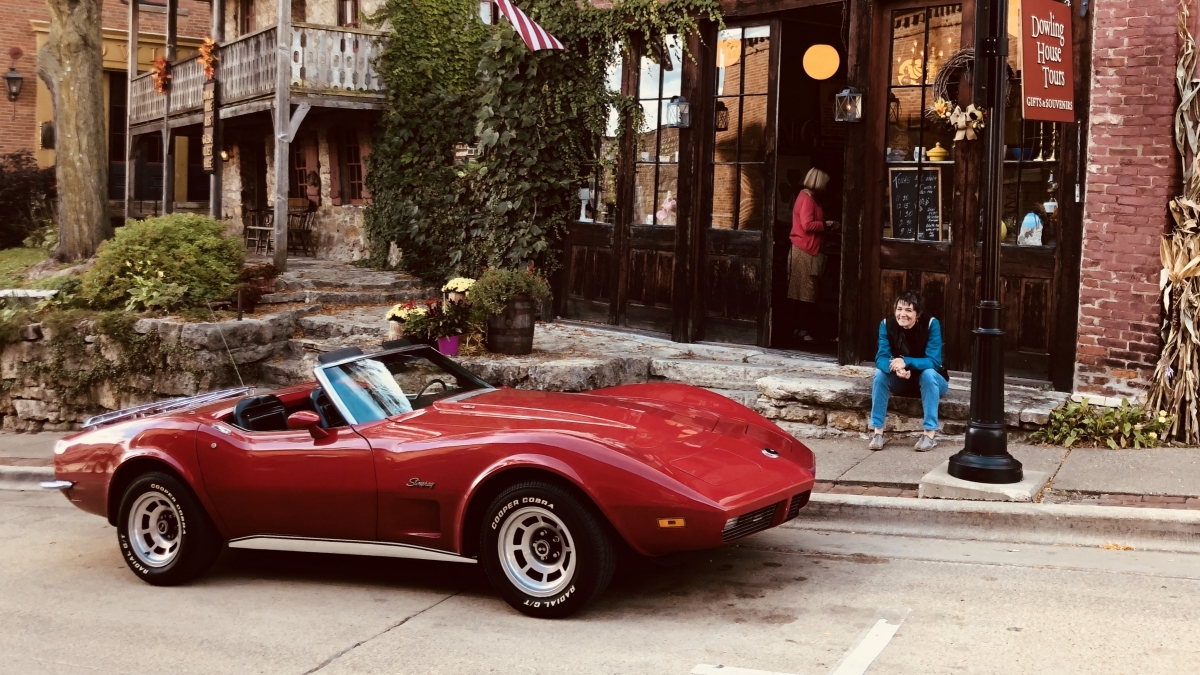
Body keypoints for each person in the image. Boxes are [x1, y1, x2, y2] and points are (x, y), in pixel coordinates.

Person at [868, 291, 949, 452]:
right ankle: (877, 433)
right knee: (879, 375)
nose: (902, 314)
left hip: (931, 382)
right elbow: (881, 357)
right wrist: (897, 367)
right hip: (902, 379)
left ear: (917, 314)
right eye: (899, 309)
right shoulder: (886, 324)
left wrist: (906, 362)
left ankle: (929, 434)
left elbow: (933, 361)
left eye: (908, 310)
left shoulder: (932, 324)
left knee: (928, 373)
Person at [788, 168, 838, 343]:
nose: (826, 186)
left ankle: (799, 329)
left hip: (807, 249)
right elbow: (808, 225)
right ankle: (802, 330)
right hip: (806, 250)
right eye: (825, 182)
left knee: (804, 293)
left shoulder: (807, 197)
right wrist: (827, 224)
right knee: (806, 293)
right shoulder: (807, 200)